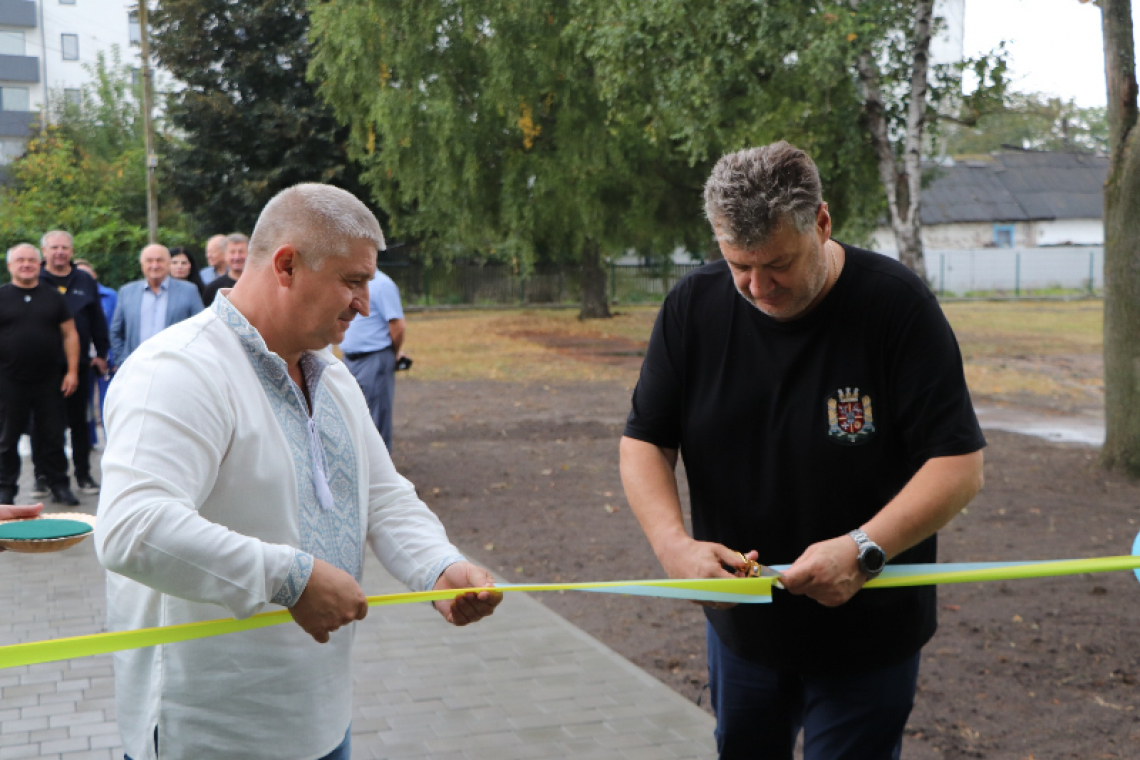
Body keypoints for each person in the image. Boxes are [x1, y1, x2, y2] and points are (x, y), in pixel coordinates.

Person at [94, 183, 501, 760]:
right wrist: (292, 578)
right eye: (353, 280)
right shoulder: (177, 371)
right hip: (212, 733)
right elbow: (132, 528)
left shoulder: (331, 375)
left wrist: (438, 566)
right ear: (286, 265)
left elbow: (383, 498)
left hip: (321, 719)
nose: (366, 303)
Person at [619, 142, 986, 760]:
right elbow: (644, 441)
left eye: (778, 264)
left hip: (869, 633)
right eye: (738, 264)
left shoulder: (897, 308)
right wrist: (671, 544)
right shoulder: (693, 308)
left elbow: (959, 466)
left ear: (821, 223)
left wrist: (864, 549)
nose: (758, 287)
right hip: (742, 631)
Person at [28, 231, 109, 497]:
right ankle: (43, 476)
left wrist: (102, 352)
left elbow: (96, 318)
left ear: (71, 251)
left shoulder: (84, 279)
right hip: (43, 366)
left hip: (80, 364)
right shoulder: (35, 279)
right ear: (44, 251)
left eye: (64, 247)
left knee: (80, 422)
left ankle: (84, 475)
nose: (60, 252)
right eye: (54, 247)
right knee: (43, 424)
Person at [0, 244, 81, 507]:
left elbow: (70, 334)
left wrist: (71, 371)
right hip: (8, 380)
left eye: (31, 260)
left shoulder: (54, 297)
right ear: (10, 266)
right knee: (6, 439)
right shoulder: (2, 296)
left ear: (40, 264)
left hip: (49, 380)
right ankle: (6, 489)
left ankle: (60, 486)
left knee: (53, 436)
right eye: (20, 260)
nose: (26, 264)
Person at [338, 266, 405, 450]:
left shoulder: (383, 284)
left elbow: (397, 326)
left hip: (375, 357)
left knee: (376, 417)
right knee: (353, 414)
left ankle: (381, 473)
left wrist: (392, 353)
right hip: (350, 359)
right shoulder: (348, 281)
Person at [109, 244, 205, 369]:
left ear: (168, 263)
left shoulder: (189, 290)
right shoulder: (127, 292)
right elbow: (116, 331)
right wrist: (122, 360)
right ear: (142, 264)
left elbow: (201, 328)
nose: (154, 265)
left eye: (160, 260)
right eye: (149, 261)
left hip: (176, 367)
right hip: (136, 367)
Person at [74, 259, 117, 446]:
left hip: (105, 355)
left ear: (94, 275)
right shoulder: (71, 296)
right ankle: (88, 441)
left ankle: (112, 441)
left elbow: (116, 327)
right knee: (84, 403)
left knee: (109, 401)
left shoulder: (110, 295)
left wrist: (112, 356)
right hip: (81, 358)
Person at [201, 233, 247, 306]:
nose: (237, 257)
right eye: (232, 252)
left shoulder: (259, 285)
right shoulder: (213, 289)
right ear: (225, 255)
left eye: (241, 252)